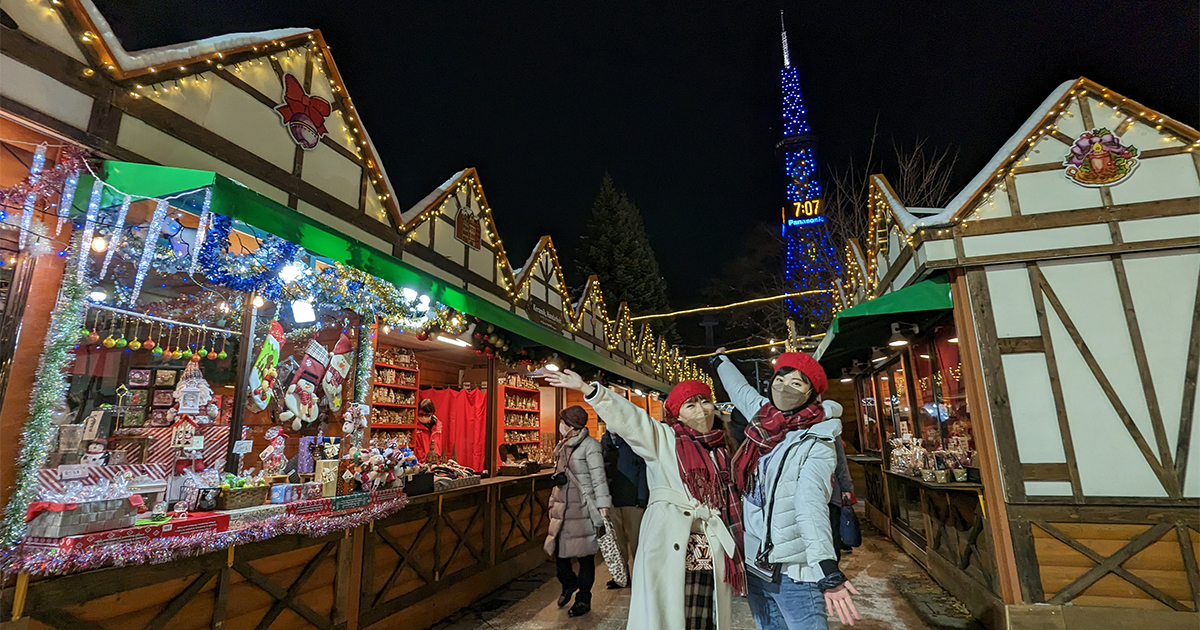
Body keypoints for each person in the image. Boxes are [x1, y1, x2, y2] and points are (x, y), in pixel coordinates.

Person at [547, 371, 744, 630]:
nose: (701, 410)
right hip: (672, 544)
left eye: (705, 401)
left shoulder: (723, 448)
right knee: (671, 616)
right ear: (678, 413)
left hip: (712, 547)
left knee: (705, 616)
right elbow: (632, 418)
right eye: (691, 404)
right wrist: (588, 389)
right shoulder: (664, 439)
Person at [713, 349, 860, 629]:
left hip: (795, 572)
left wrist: (826, 567)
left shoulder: (817, 440)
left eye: (797, 383)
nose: (784, 388)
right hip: (756, 565)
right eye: (781, 379)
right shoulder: (765, 418)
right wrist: (720, 361)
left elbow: (810, 505)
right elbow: (739, 389)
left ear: (811, 393)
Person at [544, 405, 612, 618]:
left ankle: (584, 598)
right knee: (560, 554)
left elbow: (598, 477)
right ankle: (568, 583)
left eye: (562, 421)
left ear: (570, 424)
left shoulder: (590, 446)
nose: (560, 425)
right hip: (562, 507)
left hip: (582, 508)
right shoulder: (563, 445)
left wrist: (603, 506)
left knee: (584, 555)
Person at [601, 428, 649, 588]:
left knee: (636, 541)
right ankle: (621, 576)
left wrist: (642, 496)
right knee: (618, 541)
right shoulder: (604, 442)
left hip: (632, 499)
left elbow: (643, 469)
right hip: (611, 499)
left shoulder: (632, 440)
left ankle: (641, 576)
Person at [823, 400, 855, 558]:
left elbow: (840, 461)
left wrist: (846, 487)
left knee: (832, 532)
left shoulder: (830, 427)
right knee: (830, 531)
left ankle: (831, 572)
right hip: (825, 491)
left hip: (829, 490)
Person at [413, 398, 442, 463]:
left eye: (426, 415)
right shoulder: (414, 427)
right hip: (419, 463)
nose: (423, 417)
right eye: (420, 414)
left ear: (432, 414)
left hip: (434, 462)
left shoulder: (438, 427)